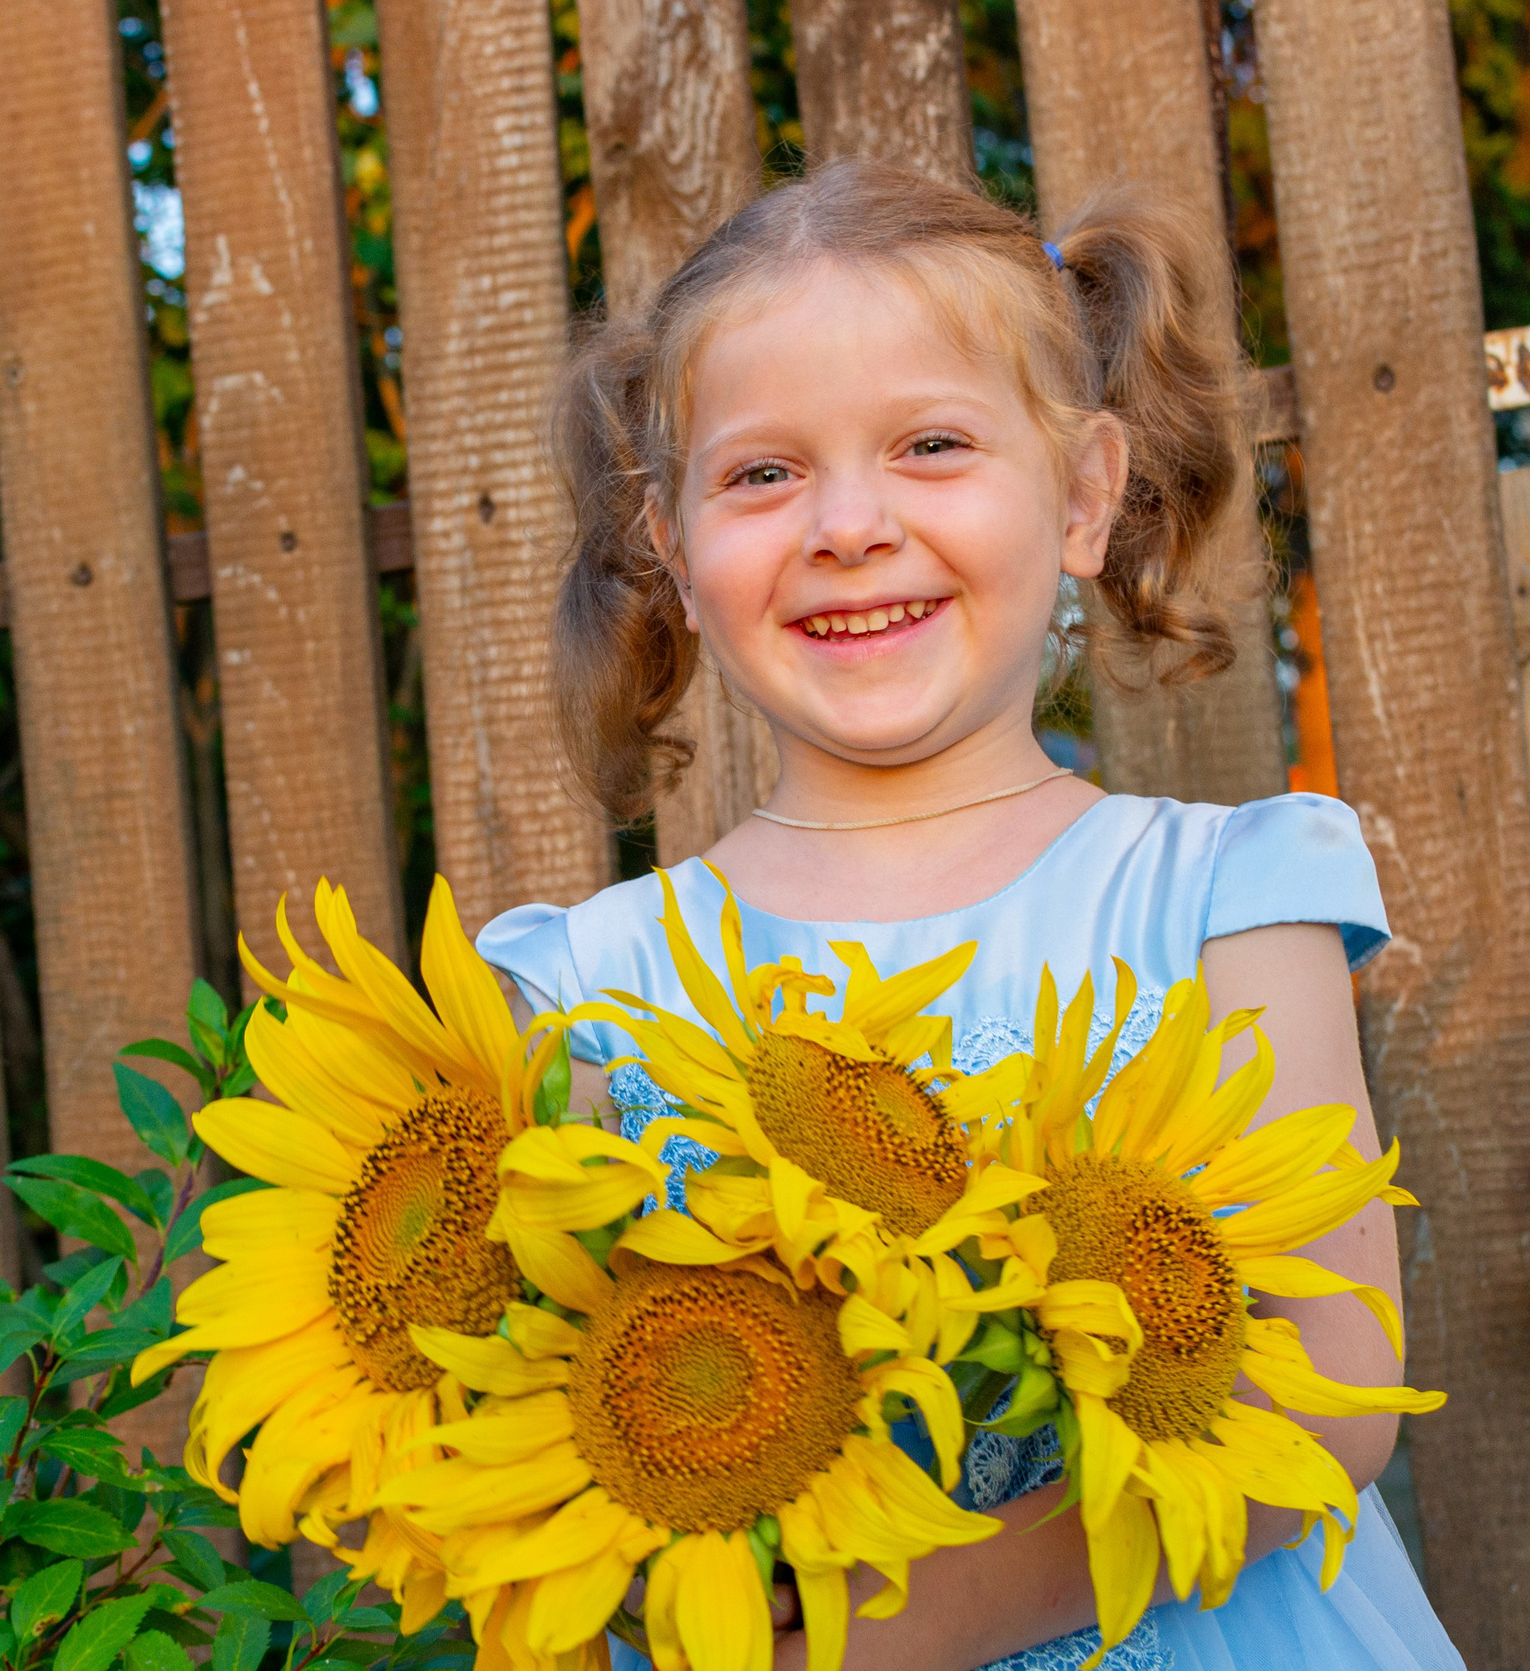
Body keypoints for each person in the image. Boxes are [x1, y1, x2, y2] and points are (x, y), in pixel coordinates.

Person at [474, 158, 1461, 1671]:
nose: (848, 523)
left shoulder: (1226, 902)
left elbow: (1328, 1385)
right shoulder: (584, 986)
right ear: (669, 545)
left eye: (931, 445)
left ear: (1084, 496)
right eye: (761, 474)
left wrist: (934, 1610)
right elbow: (530, 1408)